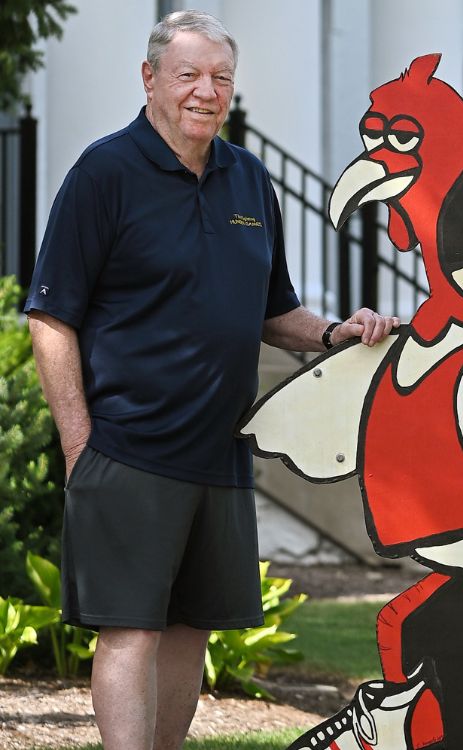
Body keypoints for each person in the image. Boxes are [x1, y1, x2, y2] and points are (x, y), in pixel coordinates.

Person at [24, 11, 398, 750]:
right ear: (150, 79)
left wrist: (333, 334)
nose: (207, 92)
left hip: (222, 452)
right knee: (131, 631)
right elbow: (50, 317)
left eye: (221, 78)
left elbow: (273, 309)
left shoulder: (248, 179)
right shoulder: (105, 173)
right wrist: (80, 449)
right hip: (128, 449)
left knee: (191, 631)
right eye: (189, 75)